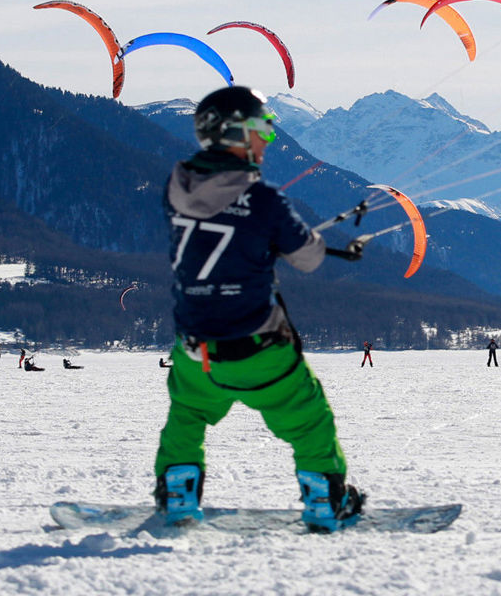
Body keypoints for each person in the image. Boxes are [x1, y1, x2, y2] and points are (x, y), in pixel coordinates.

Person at [151, 86, 367, 533]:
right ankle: (326, 503)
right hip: (257, 347)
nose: (268, 139)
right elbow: (306, 258)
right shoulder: (265, 199)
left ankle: (177, 498)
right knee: (308, 420)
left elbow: (223, 224)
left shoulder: (176, 187)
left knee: (187, 416)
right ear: (235, 132)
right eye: (262, 128)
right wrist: (294, 239)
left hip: (195, 351)